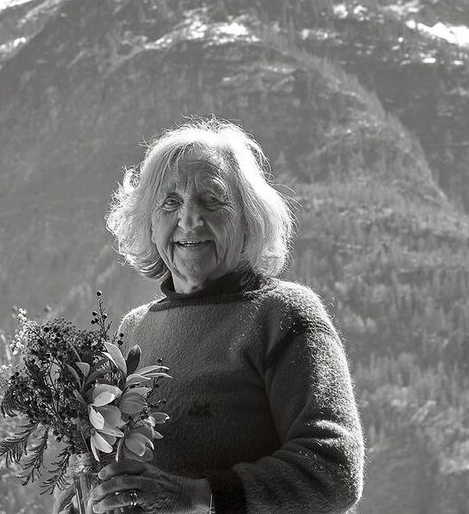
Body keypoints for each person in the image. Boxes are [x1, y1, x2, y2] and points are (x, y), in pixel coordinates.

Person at [63, 119, 364, 514]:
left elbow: (334, 469)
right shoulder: (133, 330)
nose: (189, 219)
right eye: (170, 202)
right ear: (149, 224)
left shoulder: (283, 315)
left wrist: (197, 496)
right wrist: (85, 498)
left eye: (212, 200)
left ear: (248, 218)